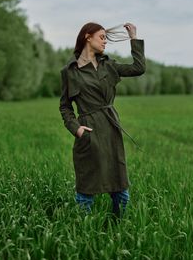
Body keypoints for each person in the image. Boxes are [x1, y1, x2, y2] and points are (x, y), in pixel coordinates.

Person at [59, 22, 146, 220]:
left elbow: (138, 68)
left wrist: (134, 37)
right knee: (86, 191)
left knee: (121, 191)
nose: (105, 42)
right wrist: (76, 129)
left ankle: (118, 231)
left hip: (111, 129)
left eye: (106, 38)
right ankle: (84, 233)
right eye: (102, 37)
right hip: (89, 132)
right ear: (88, 37)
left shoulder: (109, 65)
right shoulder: (70, 71)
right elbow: (65, 106)